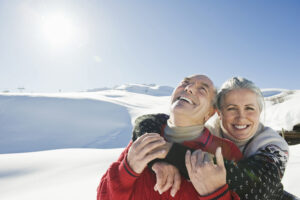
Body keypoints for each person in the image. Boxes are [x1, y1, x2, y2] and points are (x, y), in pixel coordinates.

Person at [132, 77, 296, 199]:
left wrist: (169, 152)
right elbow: (150, 120)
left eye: (249, 108)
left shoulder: (274, 145)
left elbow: (257, 186)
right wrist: (155, 157)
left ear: (260, 111)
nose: (241, 117)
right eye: (231, 108)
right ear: (219, 113)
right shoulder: (207, 134)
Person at [97, 75, 240, 199]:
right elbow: (103, 196)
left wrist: (216, 194)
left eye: (202, 89)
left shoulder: (225, 150)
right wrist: (128, 169)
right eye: (185, 82)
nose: (188, 88)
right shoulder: (146, 135)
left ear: (210, 112)